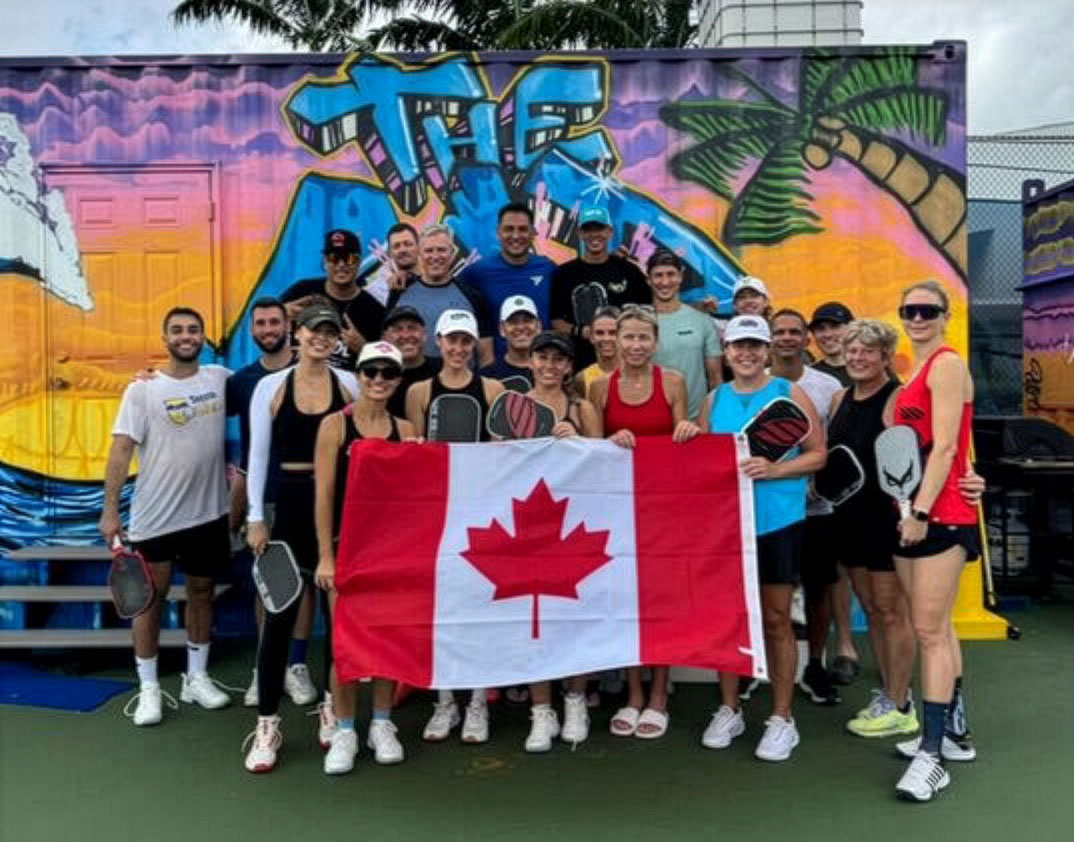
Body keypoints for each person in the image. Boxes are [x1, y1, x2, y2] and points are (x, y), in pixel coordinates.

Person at [684, 314, 826, 762]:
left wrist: (777, 469)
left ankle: (782, 719)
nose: (746, 354)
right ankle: (729, 708)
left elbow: (818, 454)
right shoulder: (714, 399)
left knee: (776, 619)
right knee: (730, 619)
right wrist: (688, 435)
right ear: (726, 353)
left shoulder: (789, 393)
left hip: (777, 522)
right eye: (738, 346)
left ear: (768, 352)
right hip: (727, 527)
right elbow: (701, 461)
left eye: (754, 346)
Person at [99, 307, 232, 726]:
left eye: (193, 330)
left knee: (201, 593)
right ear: (165, 338)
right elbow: (121, 450)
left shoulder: (219, 380)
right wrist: (109, 512)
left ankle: (196, 678)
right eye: (177, 330)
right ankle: (150, 689)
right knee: (148, 601)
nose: (186, 336)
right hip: (155, 518)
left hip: (208, 514)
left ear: (203, 337)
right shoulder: (142, 390)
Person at [240, 302, 358, 773]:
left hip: (337, 511)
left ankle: (332, 705)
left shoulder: (348, 384)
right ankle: (267, 722)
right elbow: (258, 456)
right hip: (286, 511)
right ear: (297, 333)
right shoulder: (270, 387)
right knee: (278, 619)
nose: (321, 339)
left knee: (336, 617)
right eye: (314, 331)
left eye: (329, 333)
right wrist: (254, 517)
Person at [889, 280, 981, 802]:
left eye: (927, 310)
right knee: (938, 628)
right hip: (912, 515)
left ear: (945, 316)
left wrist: (922, 511)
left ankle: (932, 754)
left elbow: (946, 447)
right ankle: (955, 734)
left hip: (939, 516)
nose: (918, 317)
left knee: (926, 630)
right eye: (910, 310)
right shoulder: (914, 374)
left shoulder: (946, 365)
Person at [311, 340, 417, 772]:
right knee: (346, 648)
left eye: (387, 373)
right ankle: (345, 730)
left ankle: (382, 723)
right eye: (370, 371)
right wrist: (324, 556)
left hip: (390, 553)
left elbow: (416, 500)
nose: (378, 380)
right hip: (345, 551)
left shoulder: (407, 430)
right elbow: (323, 496)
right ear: (358, 374)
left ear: (397, 379)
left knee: (387, 641)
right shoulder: (335, 426)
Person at [588, 304, 690, 739]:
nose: (634, 345)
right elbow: (591, 451)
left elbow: (682, 438)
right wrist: (610, 440)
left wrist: (686, 431)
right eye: (626, 337)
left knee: (658, 602)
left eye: (642, 337)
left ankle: (660, 693)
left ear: (655, 341)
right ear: (613, 340)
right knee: (625, 603)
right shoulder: (597, 387)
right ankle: (633, 692)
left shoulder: (673, 382)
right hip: (616, 512)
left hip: (663, 512)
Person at [407, 309, 505, 744]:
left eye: (467, 341)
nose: (460, 349)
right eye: (453, 341)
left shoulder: (494, 388)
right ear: (438, 342)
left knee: (481, 608)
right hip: (437, 514)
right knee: (443, 610)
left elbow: (506, 453)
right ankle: (445, 701)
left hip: (483, 513)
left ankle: (479, 702)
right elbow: (414, 456)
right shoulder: (418, 391)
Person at [827, 319, 917, 738]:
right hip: (849, 520)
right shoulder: (839, 398)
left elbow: (922, 454)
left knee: (891, 611)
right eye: (852, 350)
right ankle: (890, 693)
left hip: (886, 521)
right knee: (874, 610)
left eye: (867, 351)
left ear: (884, 356)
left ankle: (902, 703)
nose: (857, 357)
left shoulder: (897, 398)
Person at [225, 298, 317, 709]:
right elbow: (250, 452)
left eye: (274, 321)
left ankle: (296, 666)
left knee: (304, 584)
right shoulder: (241, 381)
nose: (267, 328)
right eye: (260, 323)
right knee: (270, 586)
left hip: (309, 495)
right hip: (267, 497)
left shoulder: (319, 373)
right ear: (252, 331)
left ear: (290, 326)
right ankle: (268, 666)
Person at [519, 331, 603, 751]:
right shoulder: (514, 406)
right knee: (535, 620)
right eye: (543, 357)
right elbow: (498, 458)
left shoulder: (583, 407)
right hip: (529, 526)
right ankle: (541, 711)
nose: (550, 365)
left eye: (558, 359)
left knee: (573, 619)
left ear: (569, 366)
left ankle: (574, 701)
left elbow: (604, 461)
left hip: (574, 523)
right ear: (530, 362)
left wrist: (580, 442)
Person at [767, 309, 844, 706]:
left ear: (805, 339)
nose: (786, 338)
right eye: (778, 331)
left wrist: (817, 484)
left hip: (816, 510)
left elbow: (831, 447)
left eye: (794, 332)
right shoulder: (750, 383)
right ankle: (760, 668)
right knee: (766, 595)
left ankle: (815, 664)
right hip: (766, 511)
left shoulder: (827, 385)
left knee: (817, 590)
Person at [549, 205, 649, 370]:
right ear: (580, 234)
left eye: (600, 229)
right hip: (580, 364)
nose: (594, 235)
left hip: (626, 364)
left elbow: (646, 313)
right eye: (588, 229)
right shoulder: (564, 274)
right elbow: (556, 321)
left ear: (610, 232)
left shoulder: (629, 271)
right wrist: (582, 331)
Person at [458, 202, 557, 359]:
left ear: (532, 233)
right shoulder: (477, 272)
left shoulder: (547, 268)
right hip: (498, 371)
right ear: (498, 232)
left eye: (523, 229)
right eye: (509, 229)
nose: (516, 236)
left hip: (542, 368)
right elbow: (445, 289)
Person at [388, 223, 494, 365]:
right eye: (429, 251)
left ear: (452, 253)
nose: (435, 256)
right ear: (419, 253)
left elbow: (486, 355)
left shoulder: (472, 296)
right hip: (413, 384)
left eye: (441, 250)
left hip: (462, 384)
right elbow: (388, 344)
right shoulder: (400, 292)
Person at [279, 229, 386, 369]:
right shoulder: (301, 291)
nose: (341, 264)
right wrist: (281, 314)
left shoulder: (374, 311)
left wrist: (363, 349)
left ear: (359, 262)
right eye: (334, 258)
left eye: (349, 258)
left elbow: (383, 368)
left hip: (346, 388)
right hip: (298, 384)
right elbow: (263, 326)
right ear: (324, 262)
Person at [648, 250, 721, 420]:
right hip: (653, 422)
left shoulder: (702, 320)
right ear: (648, 279)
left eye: (671, 274)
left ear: (680, 276)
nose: (665, 282)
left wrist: (712, 421)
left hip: (695, 424)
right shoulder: (639, 322)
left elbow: (715, 379)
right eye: (658, 275)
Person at [381, 305, 441, 419]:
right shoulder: (378, 375)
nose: (406, 335)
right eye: (398, 329)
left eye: (412, 328)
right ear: (386, 338)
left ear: (424, 334)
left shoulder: (443, 370)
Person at [478, 295, 540, 389]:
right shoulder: (487, 377)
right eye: (513, 322)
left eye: (527, 321)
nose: (521, 327)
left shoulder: (552, 373)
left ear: (538, 326)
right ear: (502, 329)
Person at [363, 222, 421, 305]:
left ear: (418, 246)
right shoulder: (380, 289)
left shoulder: (434, 275)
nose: (402, 250)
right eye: (396, 246)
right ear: (390, 252)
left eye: (408, 244)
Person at [574, 306, 620, 400]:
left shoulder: (637, 373)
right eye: (600, 333)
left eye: (612, 333)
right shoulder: (581, 378)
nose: (606, 338)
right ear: (591, 337)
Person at [809, 301, 855, 387]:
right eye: (820, 328)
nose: (828, 335)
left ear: (852, 329)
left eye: (835, 326)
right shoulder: (809, 377)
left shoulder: (868, 370)